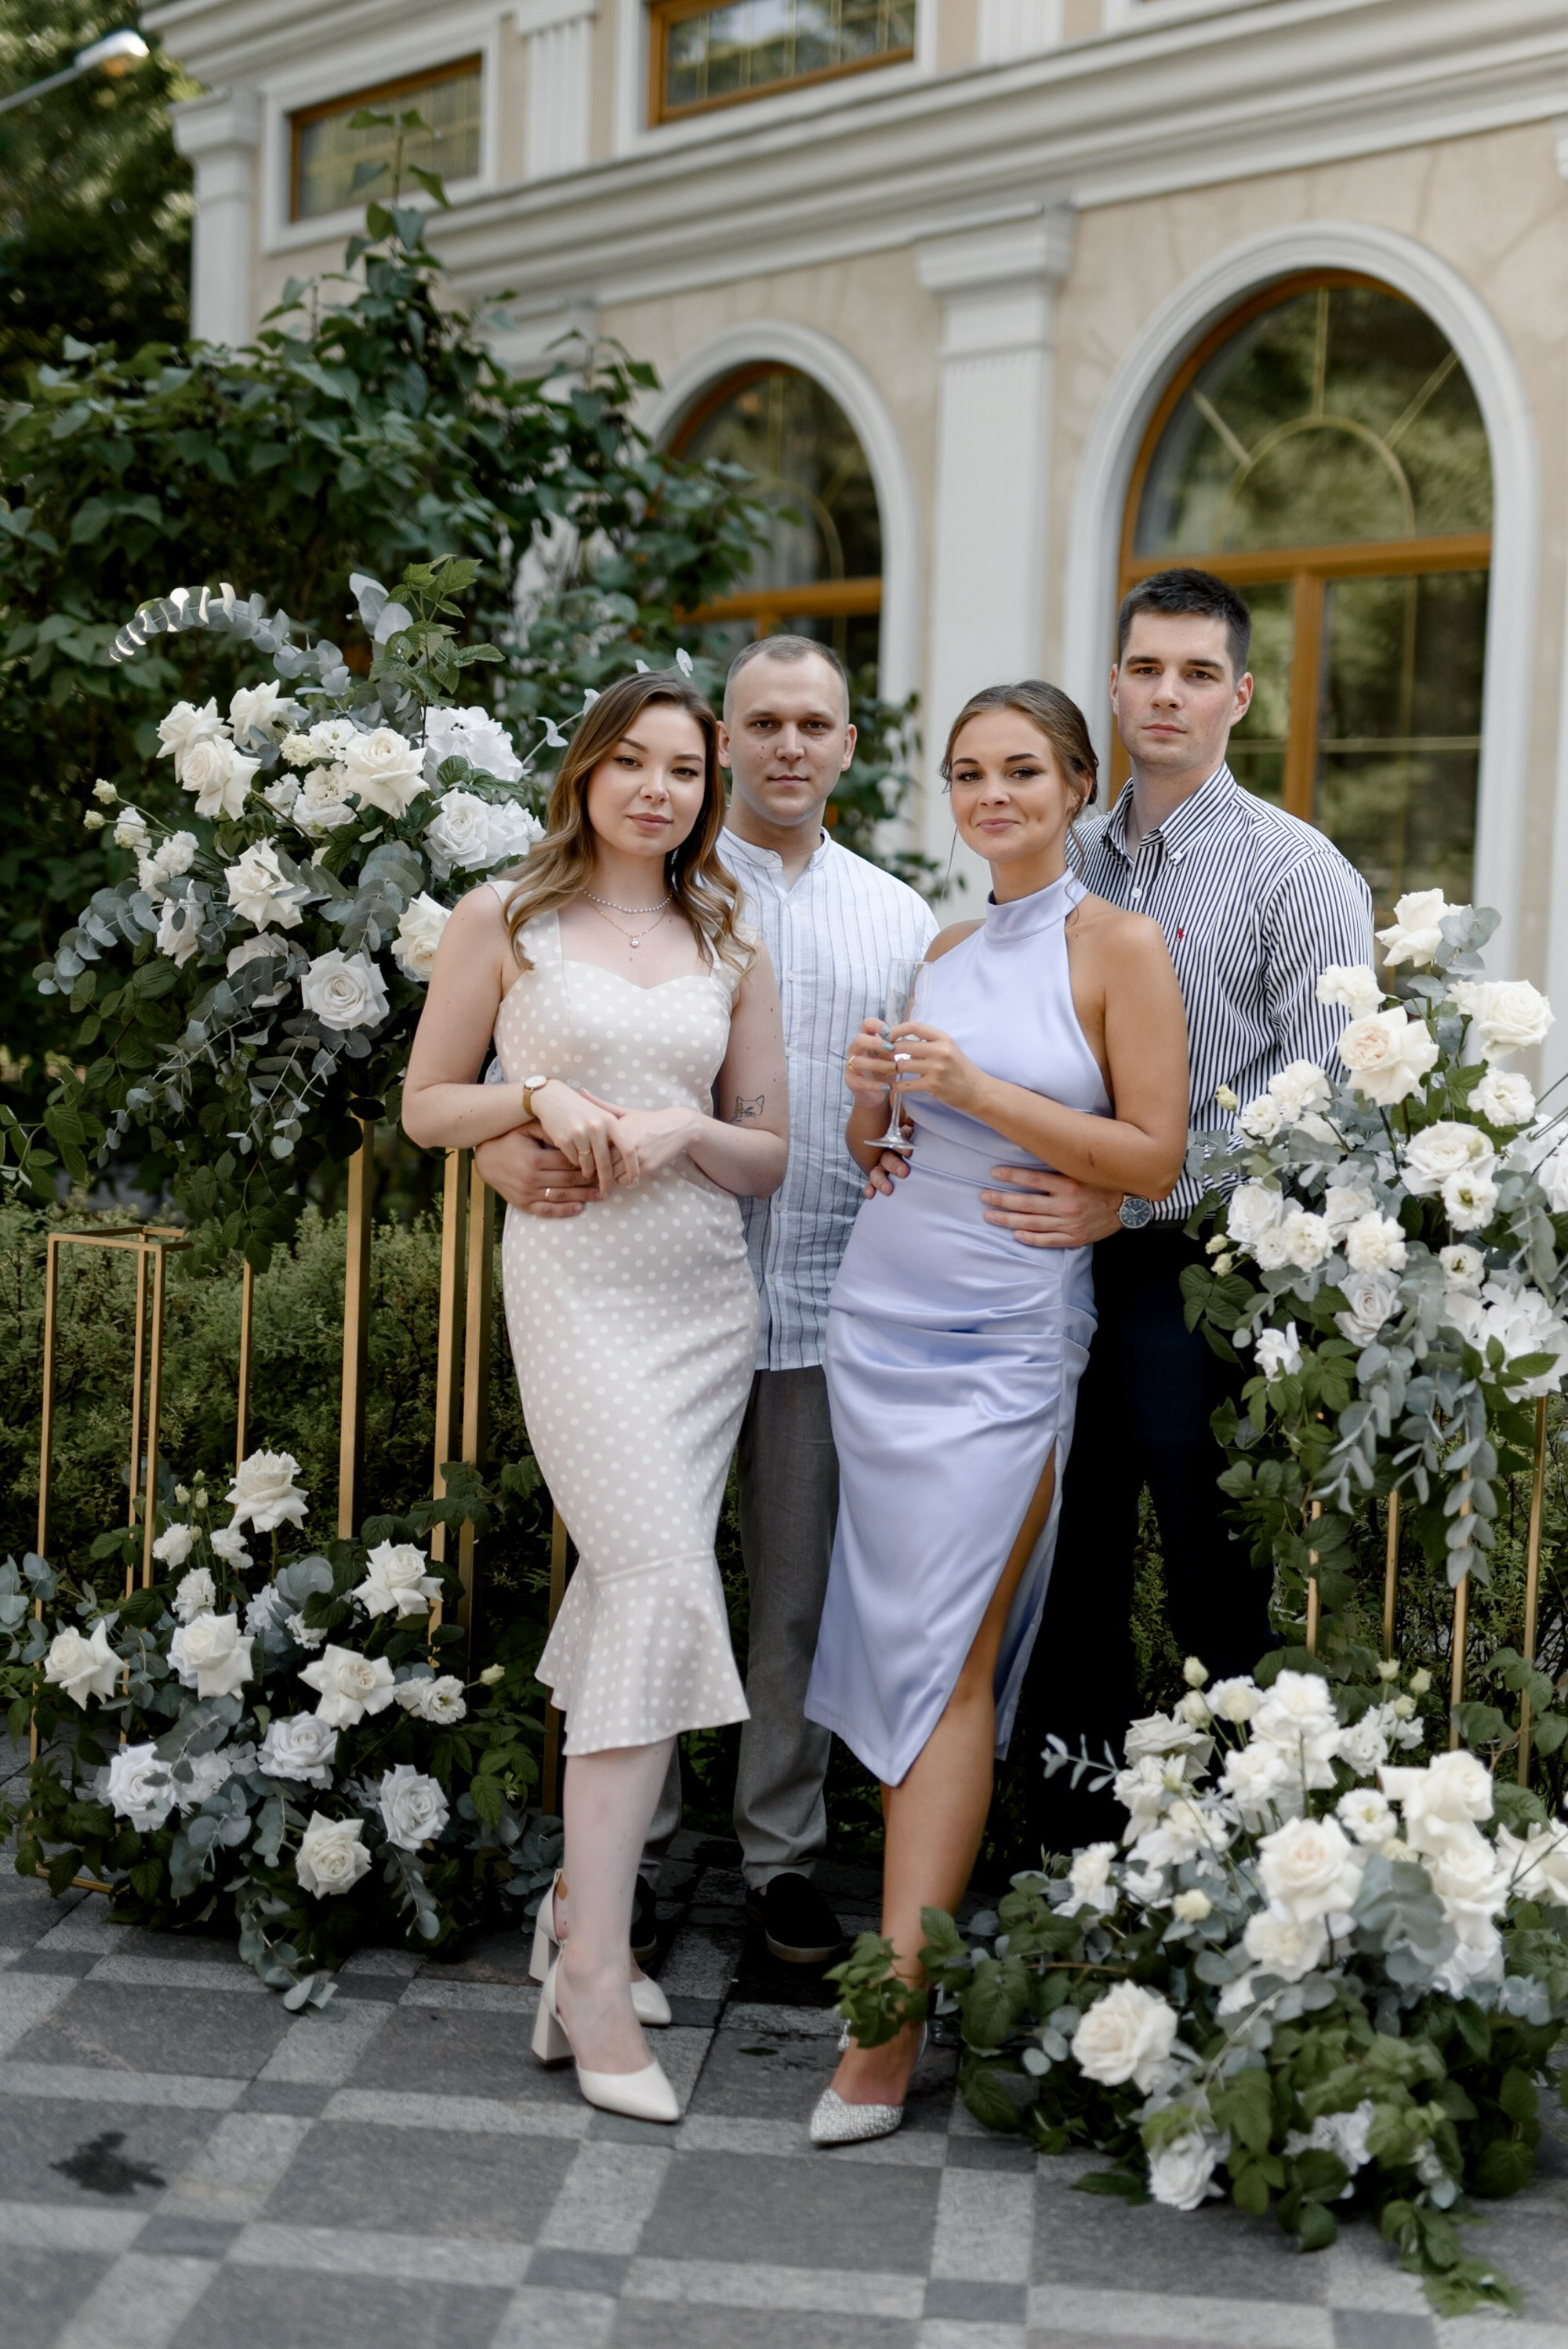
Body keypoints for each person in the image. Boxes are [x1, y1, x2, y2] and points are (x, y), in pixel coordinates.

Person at [475, 635, 937, 1966]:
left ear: (850, 745)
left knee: (791, 1599)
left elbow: (899, 1114)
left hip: (822, 1301)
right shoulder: (648, 886)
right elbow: (506, 1064)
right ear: (724, 744)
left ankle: (781, 1860)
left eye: (818, 724)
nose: (790, 745)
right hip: (635, 1292)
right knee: (646, 1574)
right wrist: (509, 1142)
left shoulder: (899, 919)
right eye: (762, 724)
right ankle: (645, 1857)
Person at [804, 680, 1190, 2144]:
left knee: (951, 1656)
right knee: (904, 1645)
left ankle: (888, 2027)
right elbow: (897, 1150)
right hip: (885, 1318)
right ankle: (902, 1984)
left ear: (1080, 783)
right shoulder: (943, 947)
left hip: (1010, 1340)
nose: (992, 795)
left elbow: (1154, 1153)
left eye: (1022, 769)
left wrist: (984, 1090)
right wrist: (869, 1106)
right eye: (968, 773)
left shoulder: (1121, 947)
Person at [402, 670, 787, 2122]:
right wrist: (533, 1097)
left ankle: (578, 1921)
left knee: (637, 1588)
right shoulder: (502, 920)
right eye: (631, 761)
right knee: (654, 1582)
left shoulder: (727, 937)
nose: (656, 790)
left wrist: (690, 1123)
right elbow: (427, 1103)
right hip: (574, 1288)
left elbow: (770, 1155)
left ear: (706, 790)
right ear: (585, 772)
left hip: (702, 1301)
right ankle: (594, 1974)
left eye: (683, 770)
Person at [995, 568, 1376, 1853]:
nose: (1168, 693)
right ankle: (1070, 1849)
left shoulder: (1297, 873)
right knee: (1067, 1565)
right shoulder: (1065, 853)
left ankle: (1246, 1855)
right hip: (1041, 1264)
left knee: (1214, 1580)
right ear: (1113, 684)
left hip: (1194, 1278)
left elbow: (1321, 1118)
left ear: (1241, 696)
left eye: (1198, 673)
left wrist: (1138, 1193)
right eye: (1147, 669)